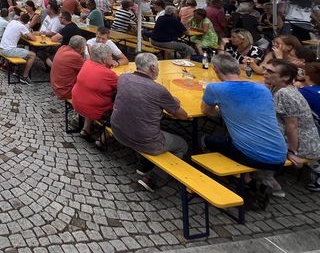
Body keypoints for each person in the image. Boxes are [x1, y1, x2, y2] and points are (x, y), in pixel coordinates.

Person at [201, 54, 287, 206]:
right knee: (235, 139)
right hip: (280, 154)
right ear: (238, 69)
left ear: (215, 70)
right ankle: (256, 181)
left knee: (204, 140)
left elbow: (206, 111)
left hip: (253, 156)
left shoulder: (215, 88)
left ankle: (244, 182)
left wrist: (225, 110)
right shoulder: (262, 88)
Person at [111, 53, 189, 192]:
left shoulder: (123, 78)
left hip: (118, 131)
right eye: (157, 66)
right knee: (183, 145)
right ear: (153, 67)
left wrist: (167, 100)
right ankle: (153, 178)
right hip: (145, 140)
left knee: (140, 121)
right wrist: (171, 101)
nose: (158, 69)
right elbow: (183, 116)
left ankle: (144, 164)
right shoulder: (158, 90)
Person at [264, 60, 320, 195]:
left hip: (302, 143)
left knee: (253, 142)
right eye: (265, 69)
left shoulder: (285, 93)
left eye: (270, 71)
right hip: (300, 138)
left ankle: (268, 182)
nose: (265, 73)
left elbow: (292, 126)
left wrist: (291, 152)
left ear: (286, 77)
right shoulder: (278, 87)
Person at [71, 42, 118, 149]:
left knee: (92, 96)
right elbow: (122, 88)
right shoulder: (109, 74)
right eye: (111, 56)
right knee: (120, 111)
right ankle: (102, 140)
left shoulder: (87, 64)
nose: (112, 58)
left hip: (77, 103)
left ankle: (85, 129)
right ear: (104, 59)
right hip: (95, 110)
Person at [0, 12, 37, 85]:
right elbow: (33, 38)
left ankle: (16, 70)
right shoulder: (22, 26)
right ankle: (25, 77)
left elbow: (19, 34)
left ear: (20, 18)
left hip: (1, 47)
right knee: (33, 55)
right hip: (8, 51)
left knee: (20, 47)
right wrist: (35, 34)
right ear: (26, 22)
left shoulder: (12, 21)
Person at [50, 35, 87, 101]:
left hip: (56, 86)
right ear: (82, 48)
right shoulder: (75, 56)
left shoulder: (62, 48)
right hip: (65, 92)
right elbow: (88, 69)